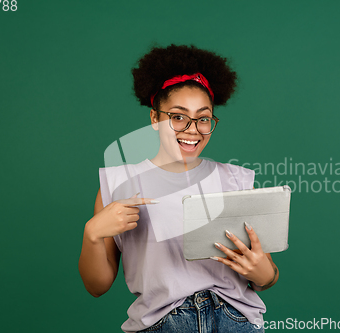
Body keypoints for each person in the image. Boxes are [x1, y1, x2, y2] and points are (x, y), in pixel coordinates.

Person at [79, 44, 279, 333]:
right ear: (154, 119)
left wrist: (262, 272)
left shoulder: (236, 180)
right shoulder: (120, 183)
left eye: (203, 118)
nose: (192, 129)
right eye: (177, 116)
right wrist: (93, 233)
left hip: (237, 322)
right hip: (165, 324)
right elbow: (96, 286)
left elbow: (268, 276)